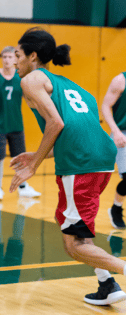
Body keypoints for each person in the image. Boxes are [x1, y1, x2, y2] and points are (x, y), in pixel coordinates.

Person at [10, 28, 126, 305]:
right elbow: (76, 129)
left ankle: (117, 275)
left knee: (74, 244)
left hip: (80, 165)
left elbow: (57, 124)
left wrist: (34, 165)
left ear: (33, 56)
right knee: (67, 223)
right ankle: (106, 283)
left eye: (17, 55)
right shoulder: (71, 85)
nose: (14, 62)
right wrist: (39, 153)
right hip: (99, 159)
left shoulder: (31, 79)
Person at [0, 46, 40, 201]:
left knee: (20, 158)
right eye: (4, 57)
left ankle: (23, 187)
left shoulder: (20, 78)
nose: (6, 60)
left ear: (15, 59)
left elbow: (29, 97)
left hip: (16, 124)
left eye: (10, 57)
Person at [101, 72, 126, 229]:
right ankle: (116, 208)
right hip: (122, 131)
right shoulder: (120, 80)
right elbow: (105, 106)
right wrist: (115, 131)